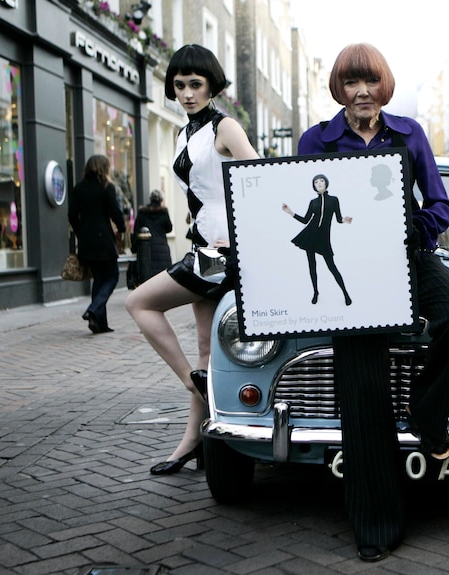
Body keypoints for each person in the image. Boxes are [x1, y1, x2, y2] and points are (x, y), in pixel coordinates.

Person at [297, 43, 449, 562]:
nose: (361, 92)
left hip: (407, 257)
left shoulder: (409, 133)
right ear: (339, 89)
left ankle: (426, 409)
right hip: (348, 275)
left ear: (383, 87)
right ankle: (375, 524)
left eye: (370, 82)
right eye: (351, 83)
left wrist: (411, 233)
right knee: (363, 388)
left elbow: (440, 203)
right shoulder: (317, 141)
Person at [125, 44, 260, 475]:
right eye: (179, 85)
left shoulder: (226, 127)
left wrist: (238, 231)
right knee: (206, 348)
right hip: (204, 247)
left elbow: (261, 180)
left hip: (224, 253)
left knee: (140, 302)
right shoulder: (185, 133)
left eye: (195, 85)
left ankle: (192, 382)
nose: (186, 93)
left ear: (211, 86)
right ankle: (193, 441)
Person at [68, 154, 126, 334]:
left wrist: (81, 233)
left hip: (86, 243)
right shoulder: (106, 188)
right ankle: (93, 310)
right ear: (104, 168)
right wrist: (122, 228)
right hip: (104, 241)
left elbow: (71, 215)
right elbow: (115, 212)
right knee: (112, 276)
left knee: (99, 280)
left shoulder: (79, 188)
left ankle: (99, 323)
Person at [281, 174, 353, 305]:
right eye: (316, 182)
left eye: (321, 181)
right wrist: (290, 212)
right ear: (313, 186)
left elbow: (338, 218)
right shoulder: (313, 202)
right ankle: (315, 292)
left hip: (324, 237)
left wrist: (344, 220)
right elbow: (305, 220)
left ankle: (345, 294)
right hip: (310, 235)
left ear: (326, 183)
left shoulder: (334, 200)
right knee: (312, 266)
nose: (319, 183)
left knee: (332, 266)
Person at [132, 189, 174, 279]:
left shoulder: (143, 213)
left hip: (146, 249)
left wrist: (134, 248)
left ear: (150, 199)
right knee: (162, 277)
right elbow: (169, 228)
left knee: (147, 276)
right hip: (162, 249)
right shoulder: (163, 213)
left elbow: (136, 230)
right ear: (161, 200)